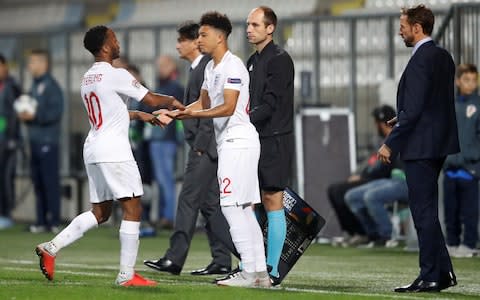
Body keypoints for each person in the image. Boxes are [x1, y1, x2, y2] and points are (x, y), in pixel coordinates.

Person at [34, 25, 185, 286]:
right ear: (105, 46)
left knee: (101, 212)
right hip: (114, 149)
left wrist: (140, 116)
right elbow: (149, 98)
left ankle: (51, 247)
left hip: (93, 147)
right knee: (133, 206)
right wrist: (172, 100)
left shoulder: (87, 78)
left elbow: (110, 112)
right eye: (113, 39)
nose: (117, 43)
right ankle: (127, 275)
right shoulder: (117, 74)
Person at [163, 11, 270, 288]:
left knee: (231, 206)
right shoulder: (211, 68)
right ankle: (260, 273)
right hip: (233, 143)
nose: (199, 40)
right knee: (244, 209)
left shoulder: (232, 67)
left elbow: (228, 107)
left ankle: (248, 270)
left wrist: (192, 116)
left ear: (220, 37)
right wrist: (178, 113)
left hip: (238, 141)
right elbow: (203, 102)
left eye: (203, 34)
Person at [377, 5, 459, 293]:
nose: (400, 30)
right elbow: (432, 103)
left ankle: (430, 276)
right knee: (427, 211)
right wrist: (405, 114)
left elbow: (417, 109)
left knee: (422, 212)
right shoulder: (443, 56)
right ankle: (444, 270)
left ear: (417, 27)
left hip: (420, 146)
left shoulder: (421, 58)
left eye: (403, 25)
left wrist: (390, 142)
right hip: (438, 143)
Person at [144, 21, 236, 276]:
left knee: (187, 200)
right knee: (210, 206)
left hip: (204, 147)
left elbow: (210, 109)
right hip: (204, 145)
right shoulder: (200, 69)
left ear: (194, 42)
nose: (177, 46)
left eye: (181, 40)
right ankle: (226, 258)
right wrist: (173, 114)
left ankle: (174, 259)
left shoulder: (206, 67)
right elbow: (198, 106)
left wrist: (201, 145)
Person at [245, 6, 294, 284]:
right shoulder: (253, 60)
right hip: (254, 138)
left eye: (254, 24)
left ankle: (273, 269)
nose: (249, 29)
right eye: (248, 25)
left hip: (275, 139)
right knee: (253, 201)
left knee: (272, 200)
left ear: (270, 28)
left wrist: (243, 121)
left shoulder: (280, 59)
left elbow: (272, 103)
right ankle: (252, 263)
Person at [328, 105, 397, 247]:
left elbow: (382, 167)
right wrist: (359, 174)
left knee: (341, 191)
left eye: (376, 123)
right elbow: (370, 162)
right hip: (371, 177)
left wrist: (362, 176)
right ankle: (353, 232)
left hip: (382, 179)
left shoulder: (394, 139)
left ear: (382, 123)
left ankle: (364, 233)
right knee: (334, 190)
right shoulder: (379, 141)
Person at [20, 49, 63, 234]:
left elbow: (56, 112)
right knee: (37, 182)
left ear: (43, 64)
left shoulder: (52, 86)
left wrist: (35, 115)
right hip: (35, 140)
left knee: (49, 181)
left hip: (48, 141)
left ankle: (53, 220)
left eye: (33, 62)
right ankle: (40, 221)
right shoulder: (34, 86)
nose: (30, 66)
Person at [442, 63, 480, 258]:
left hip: (470, 169)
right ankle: (452, 243)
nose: (471, 84)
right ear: (458, 81)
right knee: (451, 211)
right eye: (467, 80)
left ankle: (469, 244)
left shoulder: (478, 105)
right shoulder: (450, 105)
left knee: (469, 211)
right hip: (450, 168)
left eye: (474, 80)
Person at [147, 55, 185, 229]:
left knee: (165, 179)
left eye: (163, 65)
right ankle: (164, 214)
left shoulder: (174, 88)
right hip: (159, 138)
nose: (159, 68)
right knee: (161, 180)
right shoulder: (164, 86)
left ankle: (168, 216)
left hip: (166, 139)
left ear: (172, 66)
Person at [0, 53, 21, 229]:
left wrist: (13, 137)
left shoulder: (13, 86)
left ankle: (7, 213)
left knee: (7, 178)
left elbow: (16, 113)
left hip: (9, 140)